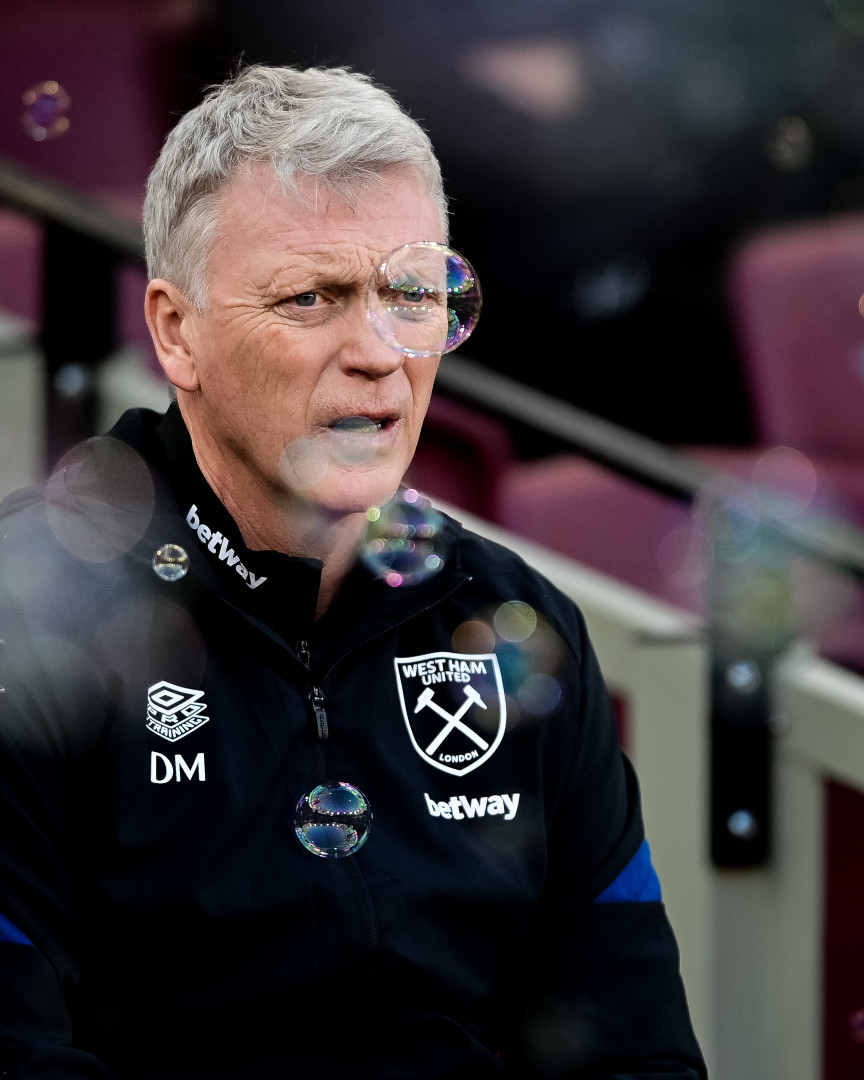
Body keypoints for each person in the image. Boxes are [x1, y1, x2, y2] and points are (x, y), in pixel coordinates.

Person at [0, 64, 707, 1079]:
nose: (378, 352)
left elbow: (637, 1054)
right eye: (311, 297)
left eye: (410, 294)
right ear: (176, 333)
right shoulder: (26, 614)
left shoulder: (516, 616)